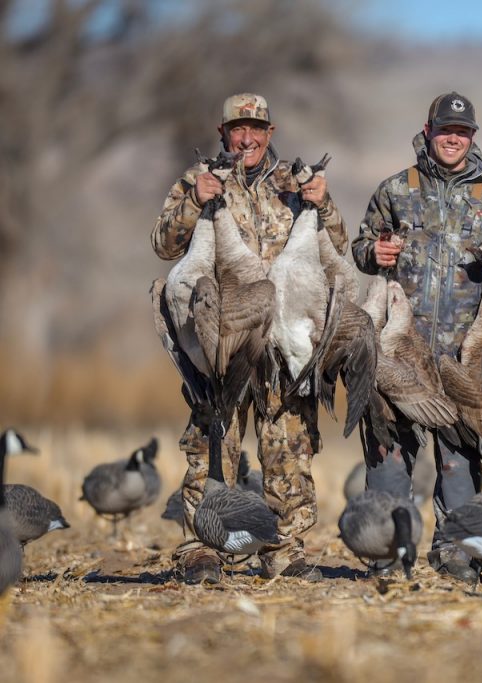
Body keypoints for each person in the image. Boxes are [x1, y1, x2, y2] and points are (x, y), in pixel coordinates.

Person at [152, 93, 347, 584]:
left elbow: (339, 247)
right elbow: (163, 244)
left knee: (289, 443)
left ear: (270, 133)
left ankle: (287, 550)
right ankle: (203, 548)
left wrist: (323, 206)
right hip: (225, 336)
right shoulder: (201, 182)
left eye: (255, 129)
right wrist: (196, 199)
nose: (246, 138)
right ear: (223, 133)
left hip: (281, 337)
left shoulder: (295, 185)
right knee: (214, 438)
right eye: (237, 129)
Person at [351, 92, 482, 582]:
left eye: (463, 132)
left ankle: (457, 552)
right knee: (389, 450)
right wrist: (375, 251)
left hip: (461, 353)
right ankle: (387, 553)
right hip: (398, 348)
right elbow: (363, 247)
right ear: (427, 130)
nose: (454, 138)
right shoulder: (395, 189)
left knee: (460, 458)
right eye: (446, 130)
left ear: (472, 137)